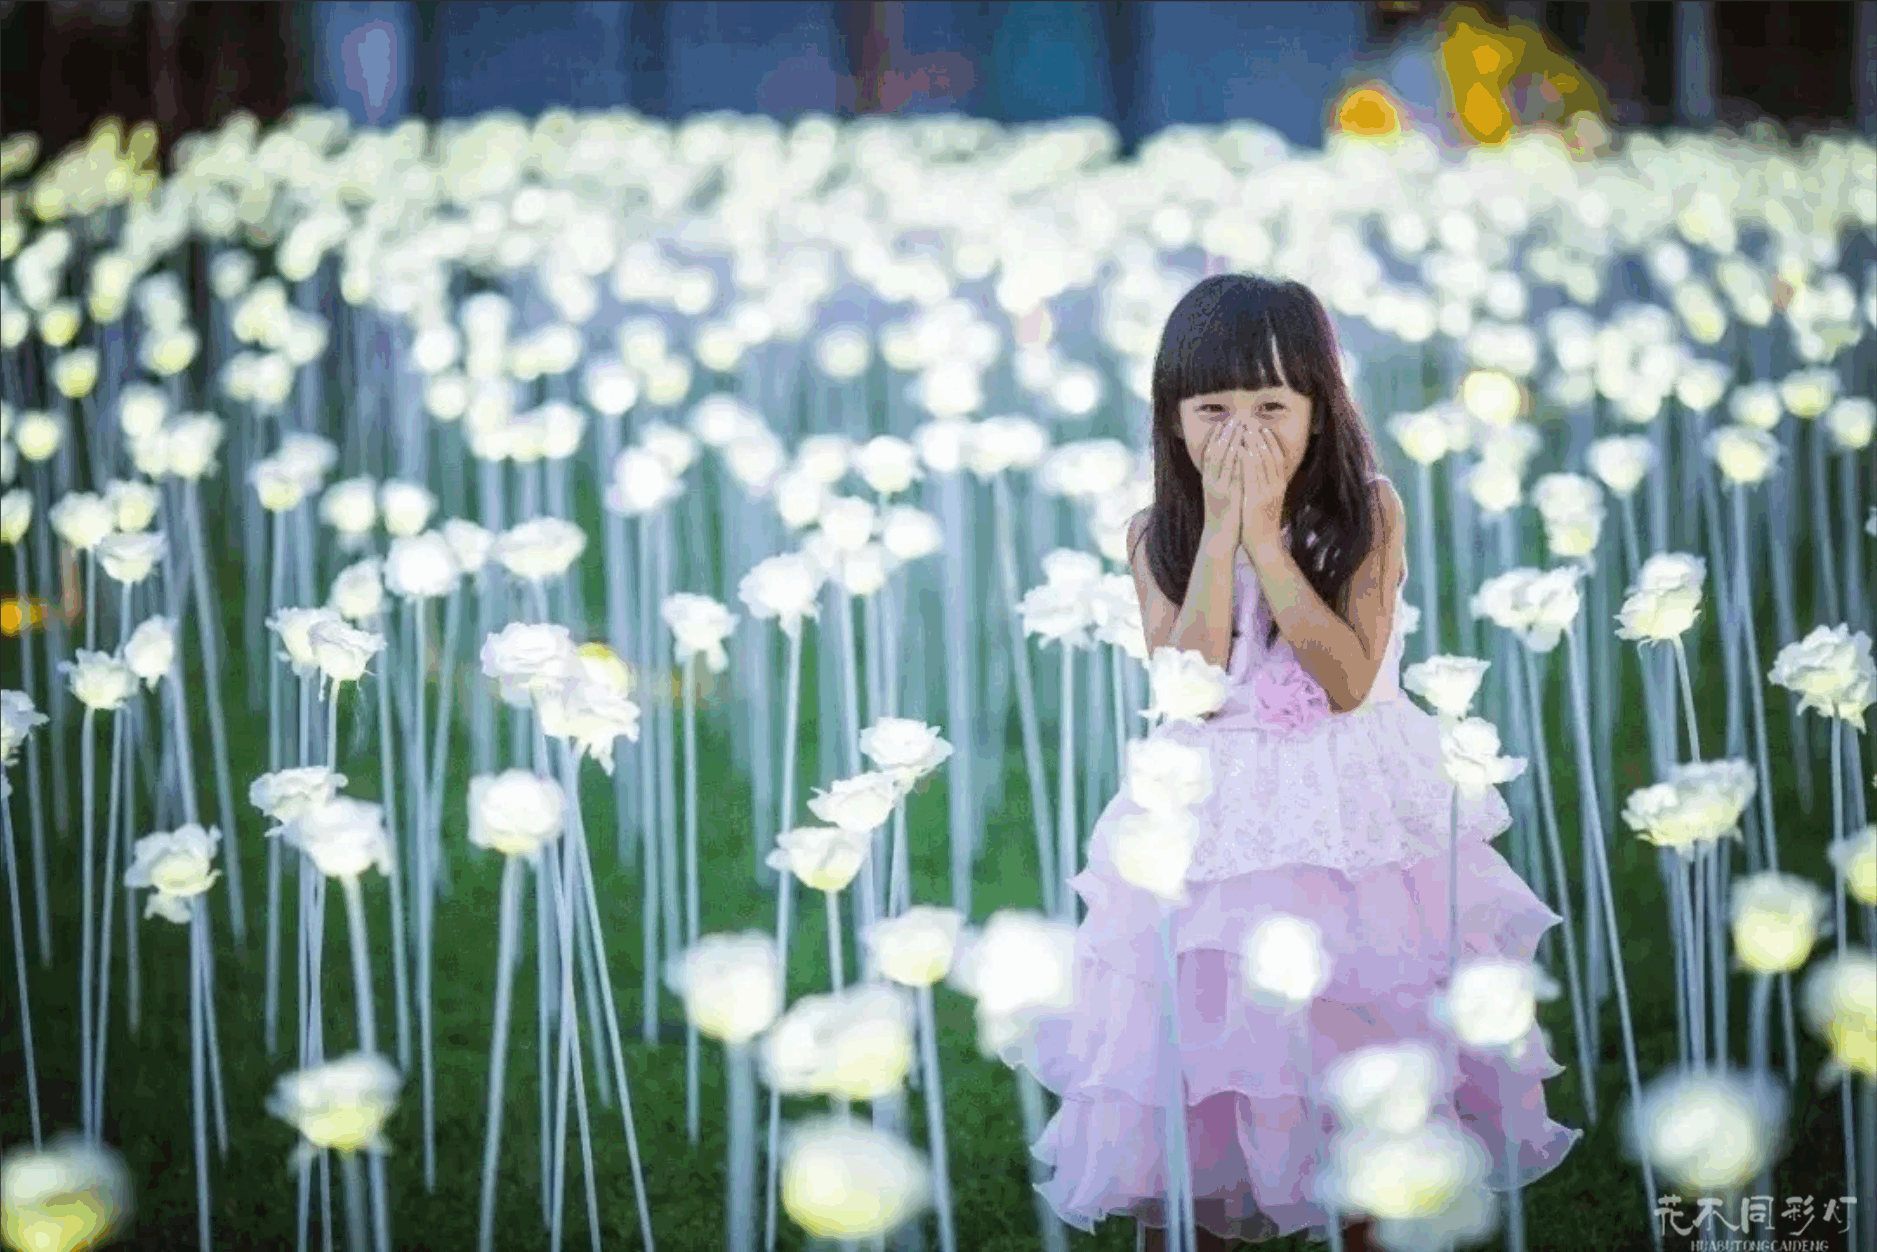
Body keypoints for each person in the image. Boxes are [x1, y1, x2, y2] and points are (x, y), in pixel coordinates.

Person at [1022, 274, 1582, 1250]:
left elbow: (1347, 677)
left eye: (1271, 407)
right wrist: (1219, 539)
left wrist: (1269, 539)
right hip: (1212, 822)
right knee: (1201, 1029)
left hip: (1352, 818)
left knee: (1359, 1027)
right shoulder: (1156, 532)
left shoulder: (1367, 509)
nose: (1243, 433)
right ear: (1170, 421)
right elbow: (1187, 678)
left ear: (1321, 414)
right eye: (1213, 410)